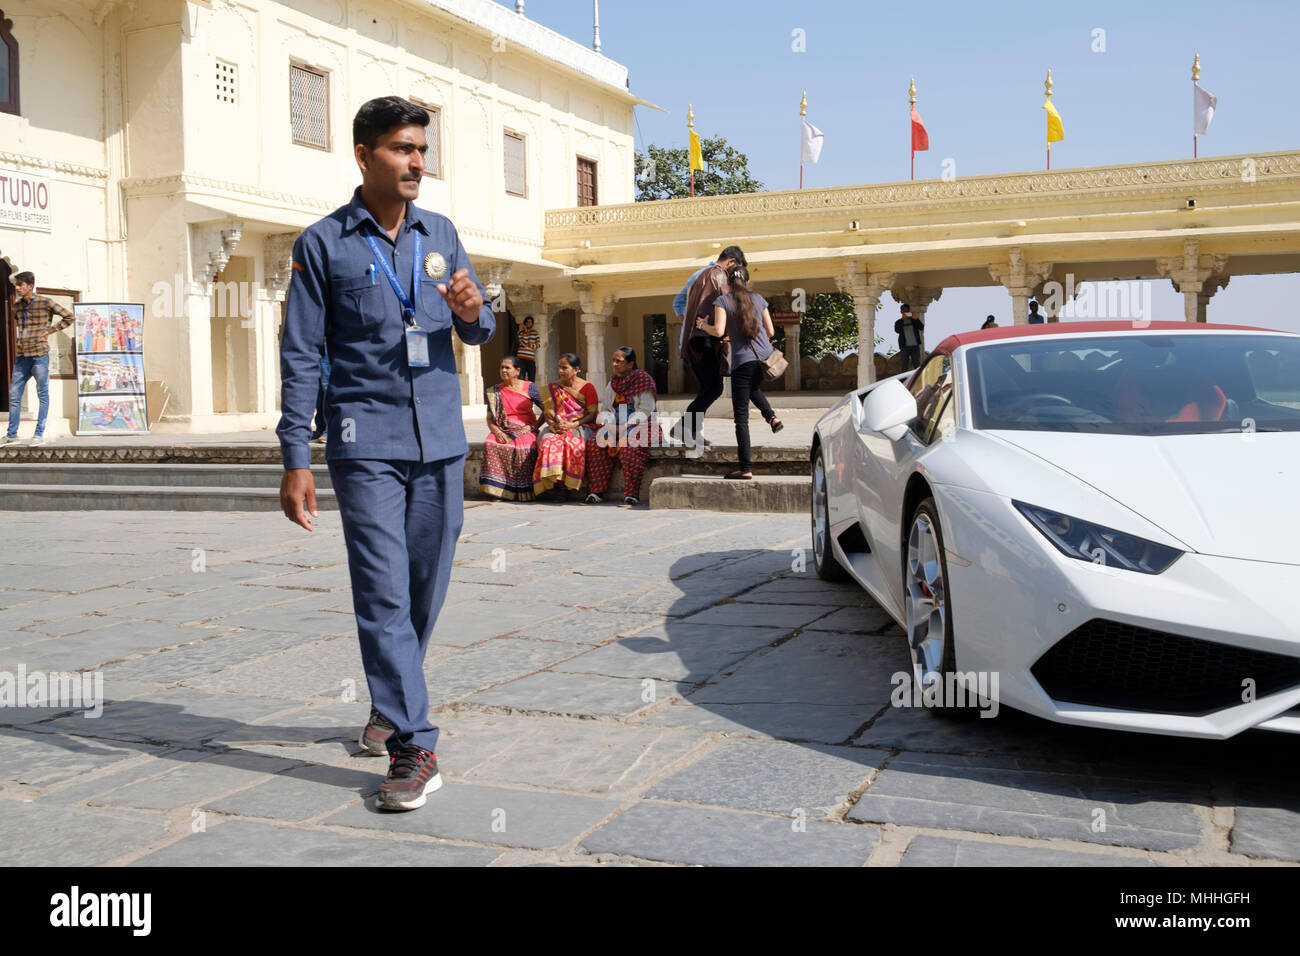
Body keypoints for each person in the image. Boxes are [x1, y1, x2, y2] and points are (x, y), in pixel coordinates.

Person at [277, 96, 495, 812]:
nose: (417, 163)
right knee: (382, 589)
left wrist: (472, 312)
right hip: (362, 441)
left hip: (438, 442)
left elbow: (480, 329)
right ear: (365, 154)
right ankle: (413, 744)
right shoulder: (323, 244)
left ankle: (388, 699)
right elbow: (302, 352)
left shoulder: (441, 233)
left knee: (424, 587)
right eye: (403, 149)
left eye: (423, 151)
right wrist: (295, 456)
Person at [698, 264, 783, 480]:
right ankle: (771, 417)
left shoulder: (723, 301)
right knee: (753, 389)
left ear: (727, 282)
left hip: (743, 363)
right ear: (746, 281)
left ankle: (745, 468)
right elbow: (771, 331)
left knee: (741, 419)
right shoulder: (758, 299)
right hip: (764, 359)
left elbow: (717, 330)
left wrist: (702, 325)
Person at [671, 245, 746, 446]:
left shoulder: (702, 274)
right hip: (702, 341)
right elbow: (723, 308)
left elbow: (678, 303)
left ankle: (692, 432)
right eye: (736, 268)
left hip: (699, 340)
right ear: (731, 262)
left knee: (707, 389)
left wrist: (690, 323)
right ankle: (683, 427)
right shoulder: (717, 277)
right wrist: (700, 326)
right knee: (713, 388)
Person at [4, 272, 74, 447]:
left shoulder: (45, 302)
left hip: (39, 356)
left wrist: (49, 330)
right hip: (21, 357)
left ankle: (39, 434)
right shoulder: (17, 306)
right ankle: (12, 435)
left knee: (42, 394)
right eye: (16, 285)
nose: (17, 288)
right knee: (14, 395)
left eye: (20, 285)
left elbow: (69, 316)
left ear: (30, 285)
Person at [585, 346, 658, 506]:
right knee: (594, 444)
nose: (614, 364)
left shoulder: (643, 380)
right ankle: (597, 491)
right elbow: (605, 409)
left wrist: (625, 428)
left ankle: (632, 494)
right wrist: (610, 425)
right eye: (613, 360)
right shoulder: (613, 383)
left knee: (629, 445)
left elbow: (645, 410)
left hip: (643, 425)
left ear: (631, 364)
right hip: (616, 426)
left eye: (619, 361)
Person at [532, 352, 599, 498]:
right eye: (559, 367)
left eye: (564, 368)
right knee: (548, 441)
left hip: (581, 426)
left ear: (576, 369)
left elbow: (592, 414)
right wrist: (549, 424)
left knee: (571, 443)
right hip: (556, 426)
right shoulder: (553, 388)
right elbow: (547, 412)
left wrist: (573, 424)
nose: (560, 371)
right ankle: (553, 485)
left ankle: (567, 487)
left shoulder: (588, 387)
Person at [479, 356, 543, 501]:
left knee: (524, 447)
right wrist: (497, 431)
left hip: (525, 428)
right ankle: (497, 491)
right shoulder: (494, 391)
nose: (503, 370)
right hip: (502, 427)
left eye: (507, 367)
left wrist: (534, 427)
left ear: (517, 370)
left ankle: (523, 491)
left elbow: (547, 410)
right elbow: (490, 417)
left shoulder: (529, 387)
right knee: (491, 444)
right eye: (502, 367)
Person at [309, 346, 330, 443]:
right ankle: (320, 429)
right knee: (319, 389)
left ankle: (330, 430)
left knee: (327, 386)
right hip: (316, 345)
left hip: (328, 343)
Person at [895, 303, 924, 372]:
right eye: (903, 311)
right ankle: (904, 381)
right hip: (904, 347)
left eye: (906, 311)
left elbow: (921, 327)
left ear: (909, 311)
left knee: (917, 366)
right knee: (904, 366)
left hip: (915, 346)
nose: (905, 312)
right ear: (901, 312)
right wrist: (902, 320)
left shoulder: (914, 320)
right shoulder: (898, 322)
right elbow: (897, 330)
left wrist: (916, 319)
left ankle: (918, 380)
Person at [516, 316, 540, 382]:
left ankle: (531, 392)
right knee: (520, 378)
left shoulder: (535, 333)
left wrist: (528, 345)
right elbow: (523, 343)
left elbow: (538, 345)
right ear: (525, 323)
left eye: (530, 322)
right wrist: (526, 332)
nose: (529, 323)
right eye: (527, 322)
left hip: (530, 359)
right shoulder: (520, 333)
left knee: (531, 379)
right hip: (521, 358)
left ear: (532, 323)